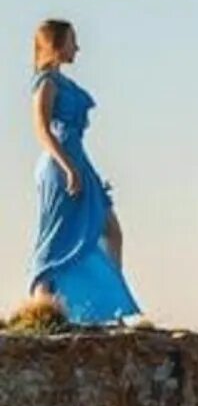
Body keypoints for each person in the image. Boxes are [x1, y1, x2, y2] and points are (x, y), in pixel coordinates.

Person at [26, 19, 140, 324]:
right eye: (72, 40)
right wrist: (68, 168)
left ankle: (111, 303)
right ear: (57, 44)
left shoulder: (63, 83)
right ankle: (41, 302)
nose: (77, 47)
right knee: (56, 237)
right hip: (59, 164)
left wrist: (81, 169)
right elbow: (41, 128)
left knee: (110, 229)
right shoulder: (46, 82)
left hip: (78, 160)